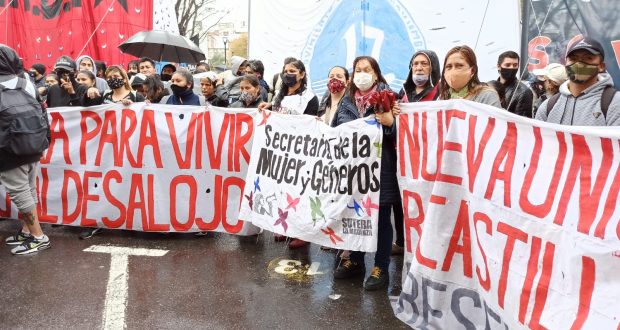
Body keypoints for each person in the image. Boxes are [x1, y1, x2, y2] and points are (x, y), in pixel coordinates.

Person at [332, 56, 398, 291]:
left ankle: (380, 267)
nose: (362, 74)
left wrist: (390, 123)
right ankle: (356, 261)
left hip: (383, 170)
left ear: (376, 74)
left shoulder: (391, 99)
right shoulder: (347, 101)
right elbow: (333, 133)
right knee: (354, 216)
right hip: (352, 173)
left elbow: (401, 136)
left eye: (367, 70)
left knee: (380, 219)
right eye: (358, 70)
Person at [0, 44, 51, 254]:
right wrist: (45, 140)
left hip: (8, 148)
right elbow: (42, 109)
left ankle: (39, 237)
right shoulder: (26, 81)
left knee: (21, 192)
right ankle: (27, 231)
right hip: (33, 143)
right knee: (29, 189)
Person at [536, 36, 620, 125]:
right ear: (565, 63)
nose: (579, 63)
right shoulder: (548, 107)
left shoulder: (615, 103)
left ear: (601, 66)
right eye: (573, 58)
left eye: (588, 58)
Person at [80, 65, 144, 108]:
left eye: (116, 76)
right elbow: (85, 106)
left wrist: (133, 106)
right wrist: (88, 93)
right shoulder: (103, 95)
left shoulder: (136, 96)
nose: (112, 79)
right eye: (109, 77)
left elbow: (142, 115)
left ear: (124, 79)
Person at [494, 51, 533, 117]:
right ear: (498, 66)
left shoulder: (524, 92)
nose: (511, 68)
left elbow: (522, 122)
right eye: (507, 65)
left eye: (515, 65)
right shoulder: (491, 87)